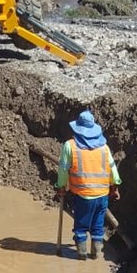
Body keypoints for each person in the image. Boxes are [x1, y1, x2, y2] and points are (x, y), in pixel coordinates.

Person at [55, 110, 121, 260]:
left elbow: (63, 170)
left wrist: (61, 187)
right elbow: (112, 169)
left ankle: (81, 254)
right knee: (98, 226)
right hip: (103, 195)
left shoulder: (70, 146)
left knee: (81, 226)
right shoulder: (104, 147)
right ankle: (96, 253)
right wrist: (115, 187)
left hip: (83, 195)